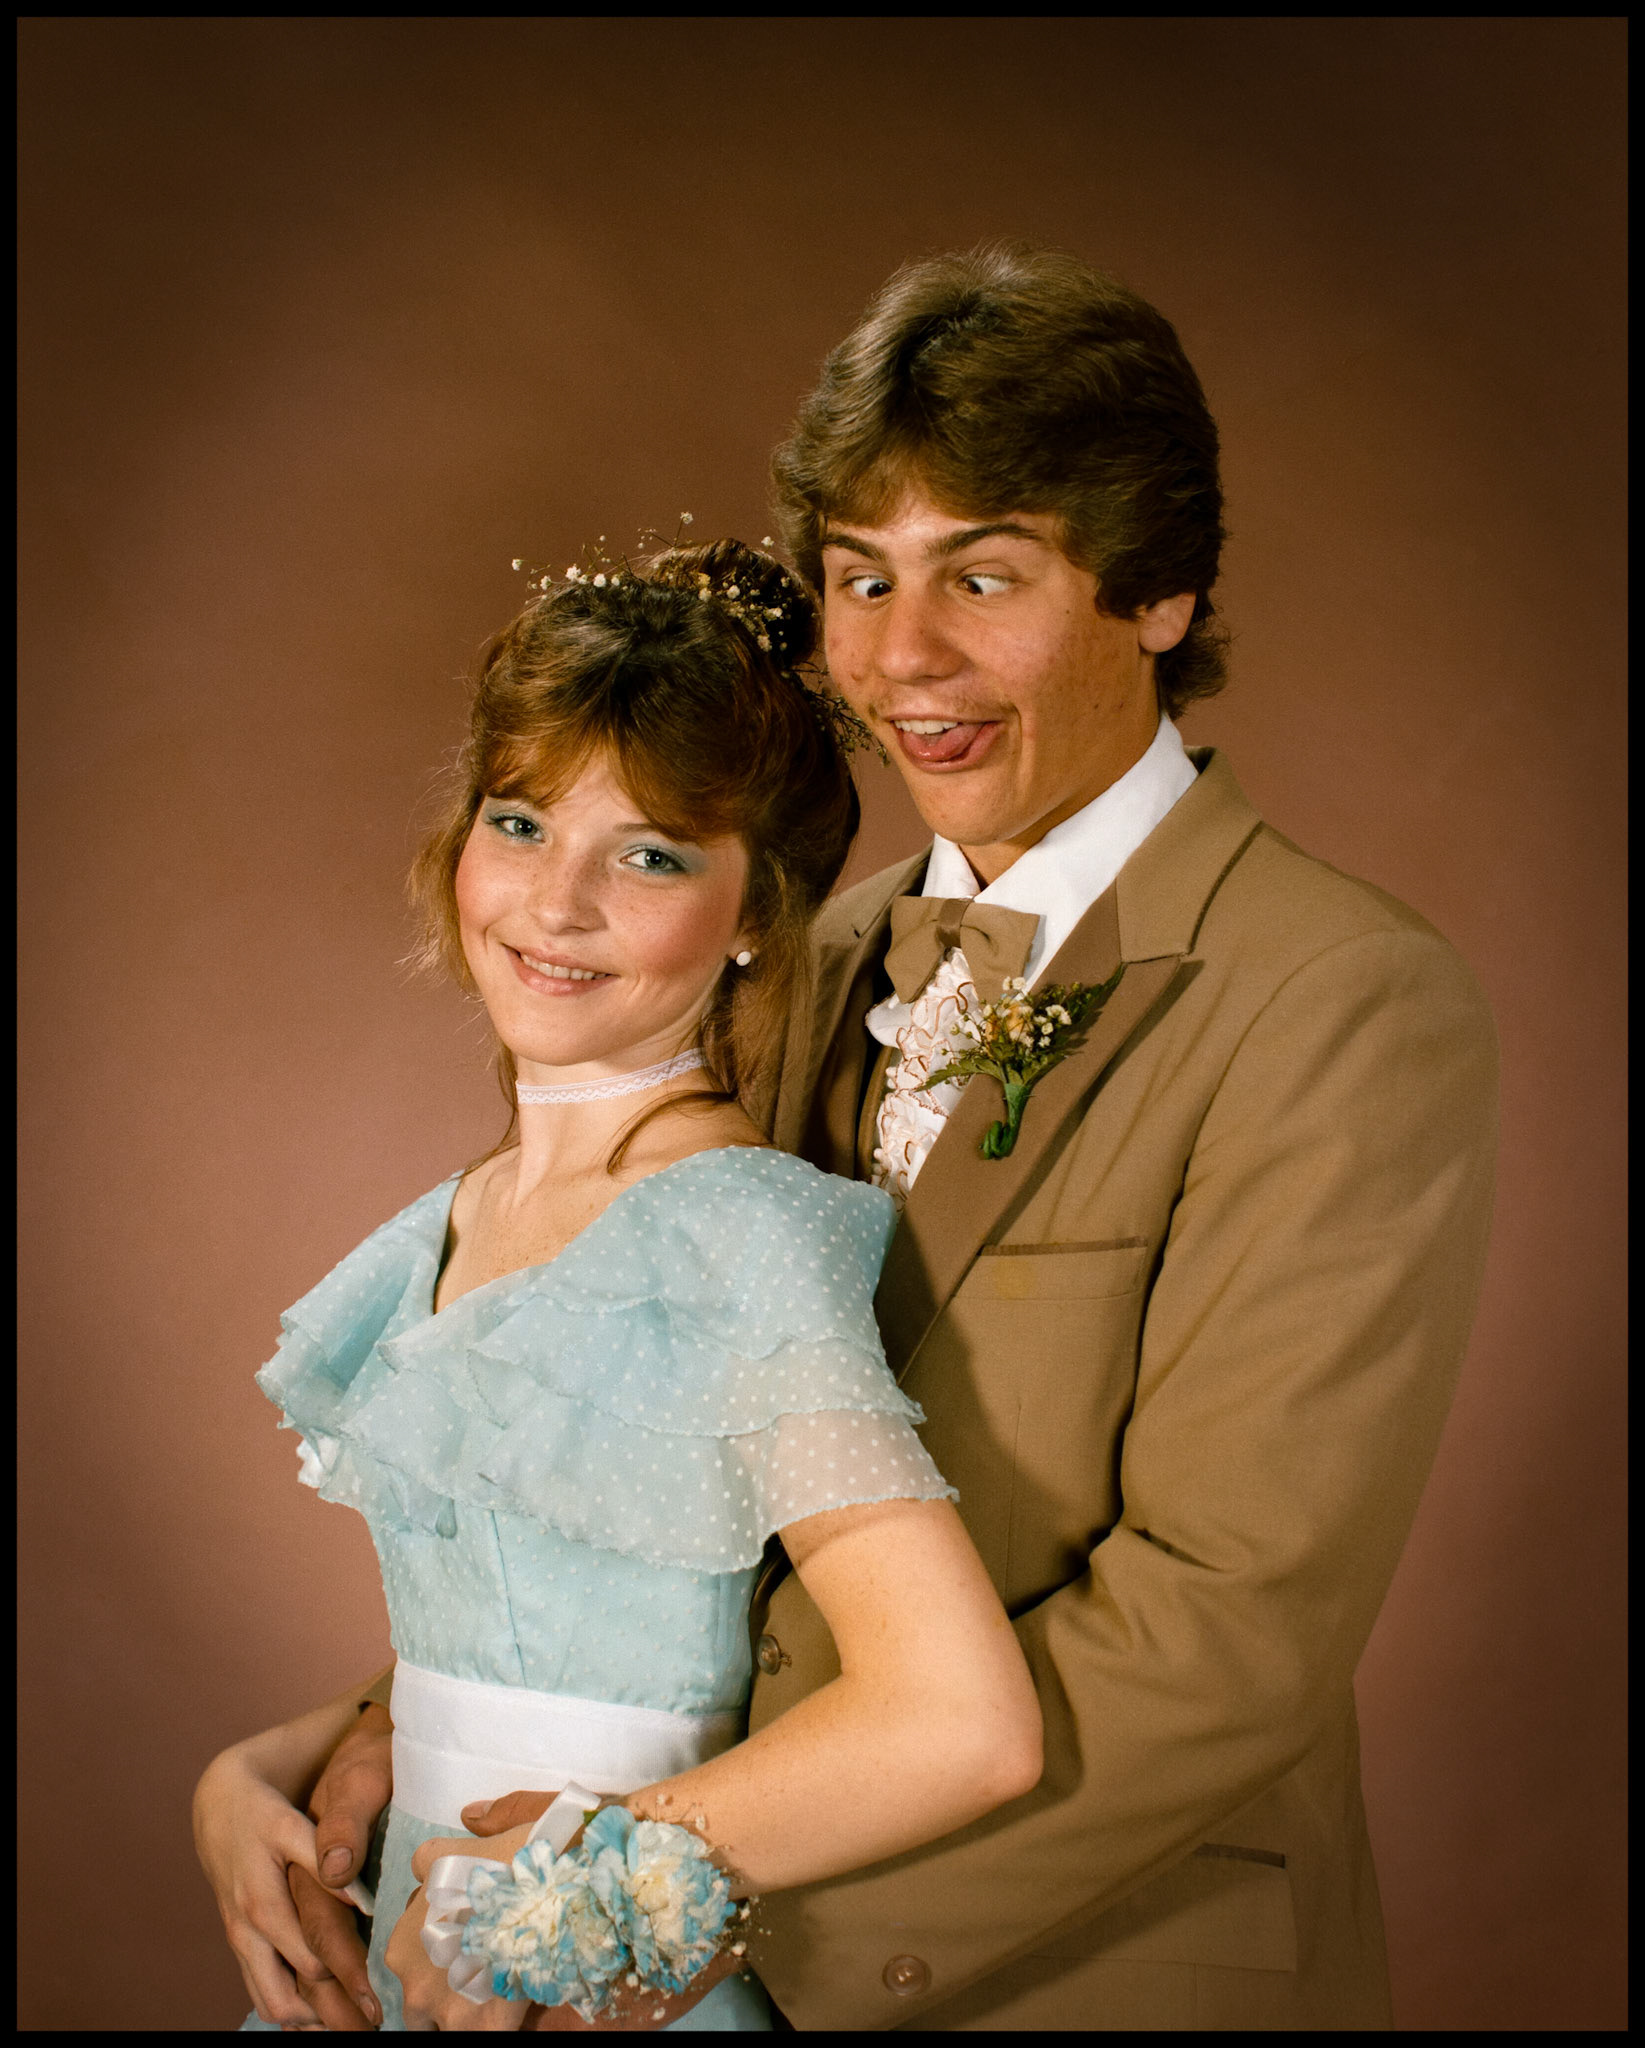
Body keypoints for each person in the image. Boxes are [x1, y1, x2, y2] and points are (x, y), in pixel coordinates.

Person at [207, 244, 1499, 2031]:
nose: (900, 658)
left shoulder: (1340, 999)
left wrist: (668, 1881)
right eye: (857, 578)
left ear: (1160, 593)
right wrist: (374, 1735)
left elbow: (1225, 1634)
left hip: (1071, 1968)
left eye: (985, 573)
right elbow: (660, 1452)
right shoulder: (806, 950)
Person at [192, 536, 1043, 2031]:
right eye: (519, 822)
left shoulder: (733, 1237)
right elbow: (518, 1627)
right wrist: (248, 1770)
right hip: (391, 1952)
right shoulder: (457, 1217)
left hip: (579, 1985)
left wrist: (568, 1908)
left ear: (760, 913)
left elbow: (958, 1721)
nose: (557, 901)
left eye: (650, 853)